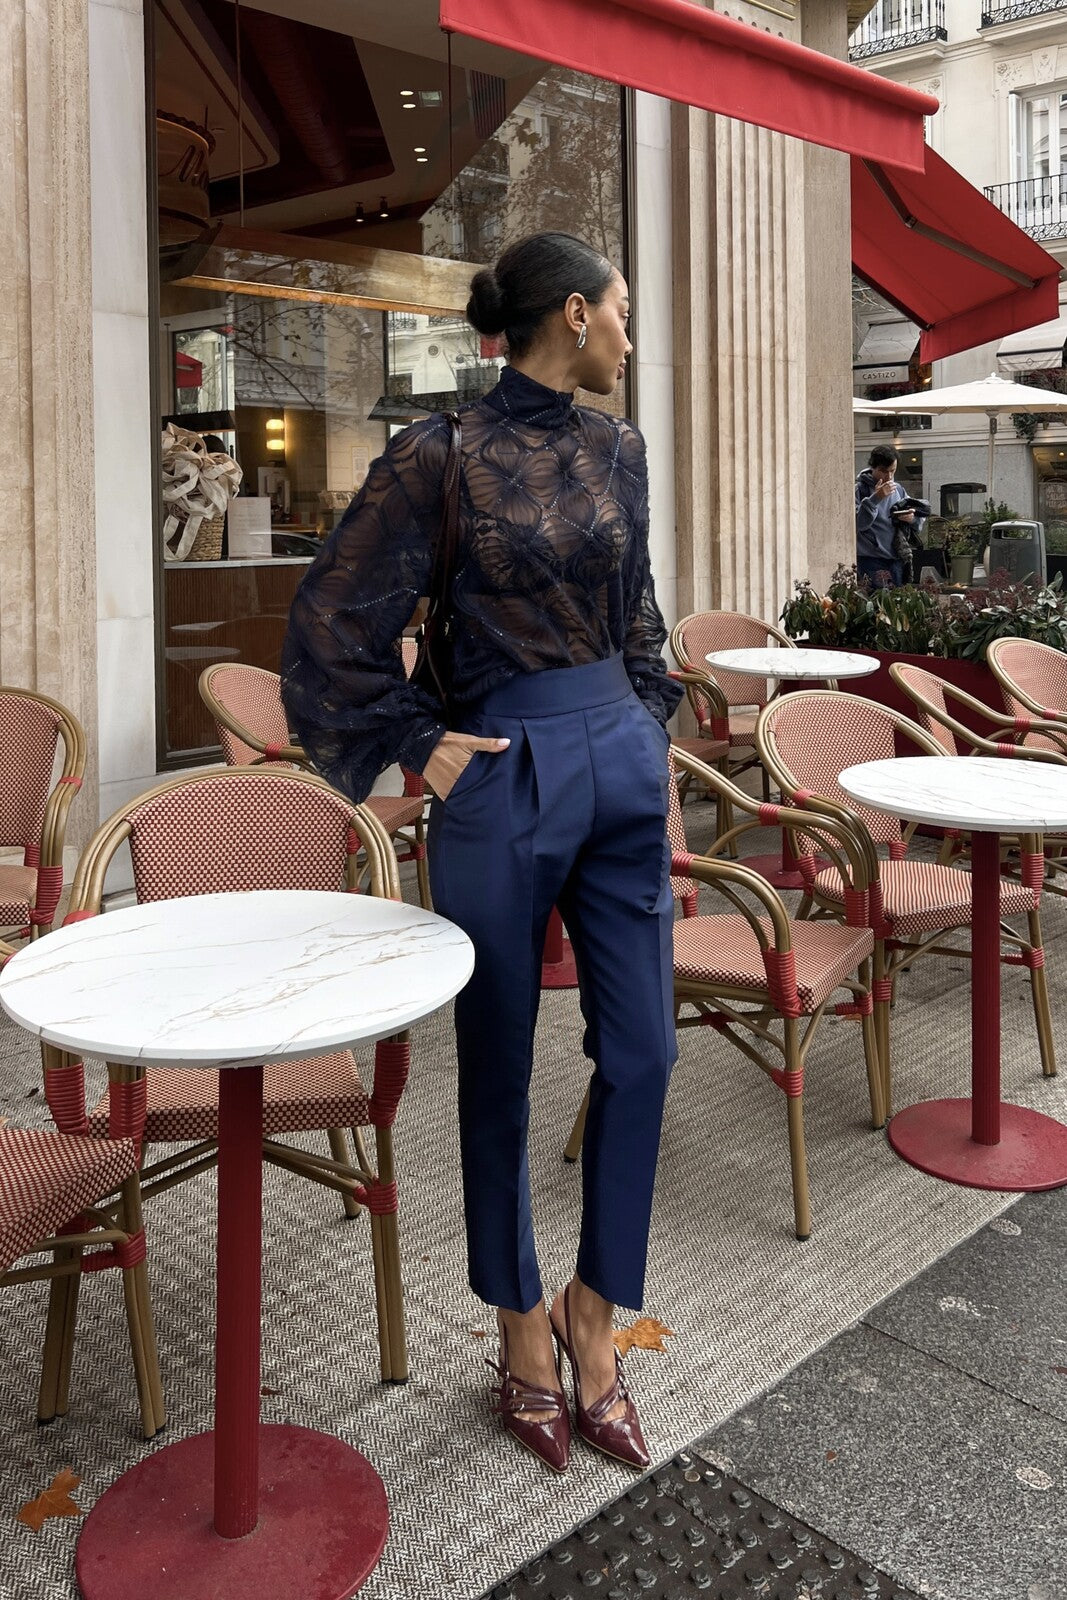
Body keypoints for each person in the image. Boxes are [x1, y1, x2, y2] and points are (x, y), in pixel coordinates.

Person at [281, 232, 681, 1476]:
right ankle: (517, 1326)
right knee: (496, 1062)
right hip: (499, 773)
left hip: (614, 755)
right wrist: (415, 739)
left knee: (649, 1049)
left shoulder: (621, 448)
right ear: (573, 314)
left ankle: (594, 1315)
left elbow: (641, 604)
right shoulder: (438, 455)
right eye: (620, 310)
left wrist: (649, 717)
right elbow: (333, 615)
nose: (628, 331)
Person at [855, 444, 916, 589]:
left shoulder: (898, 490)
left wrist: (911, 518)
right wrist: (876, 498)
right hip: (870, 559)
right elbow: (860, 524)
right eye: (883, 471)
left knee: (896, 606)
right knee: (876, 606)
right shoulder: (860, 490)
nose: (888, 476)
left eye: (892, 471)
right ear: (873, 468)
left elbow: (917, 518)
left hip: (896, 558)